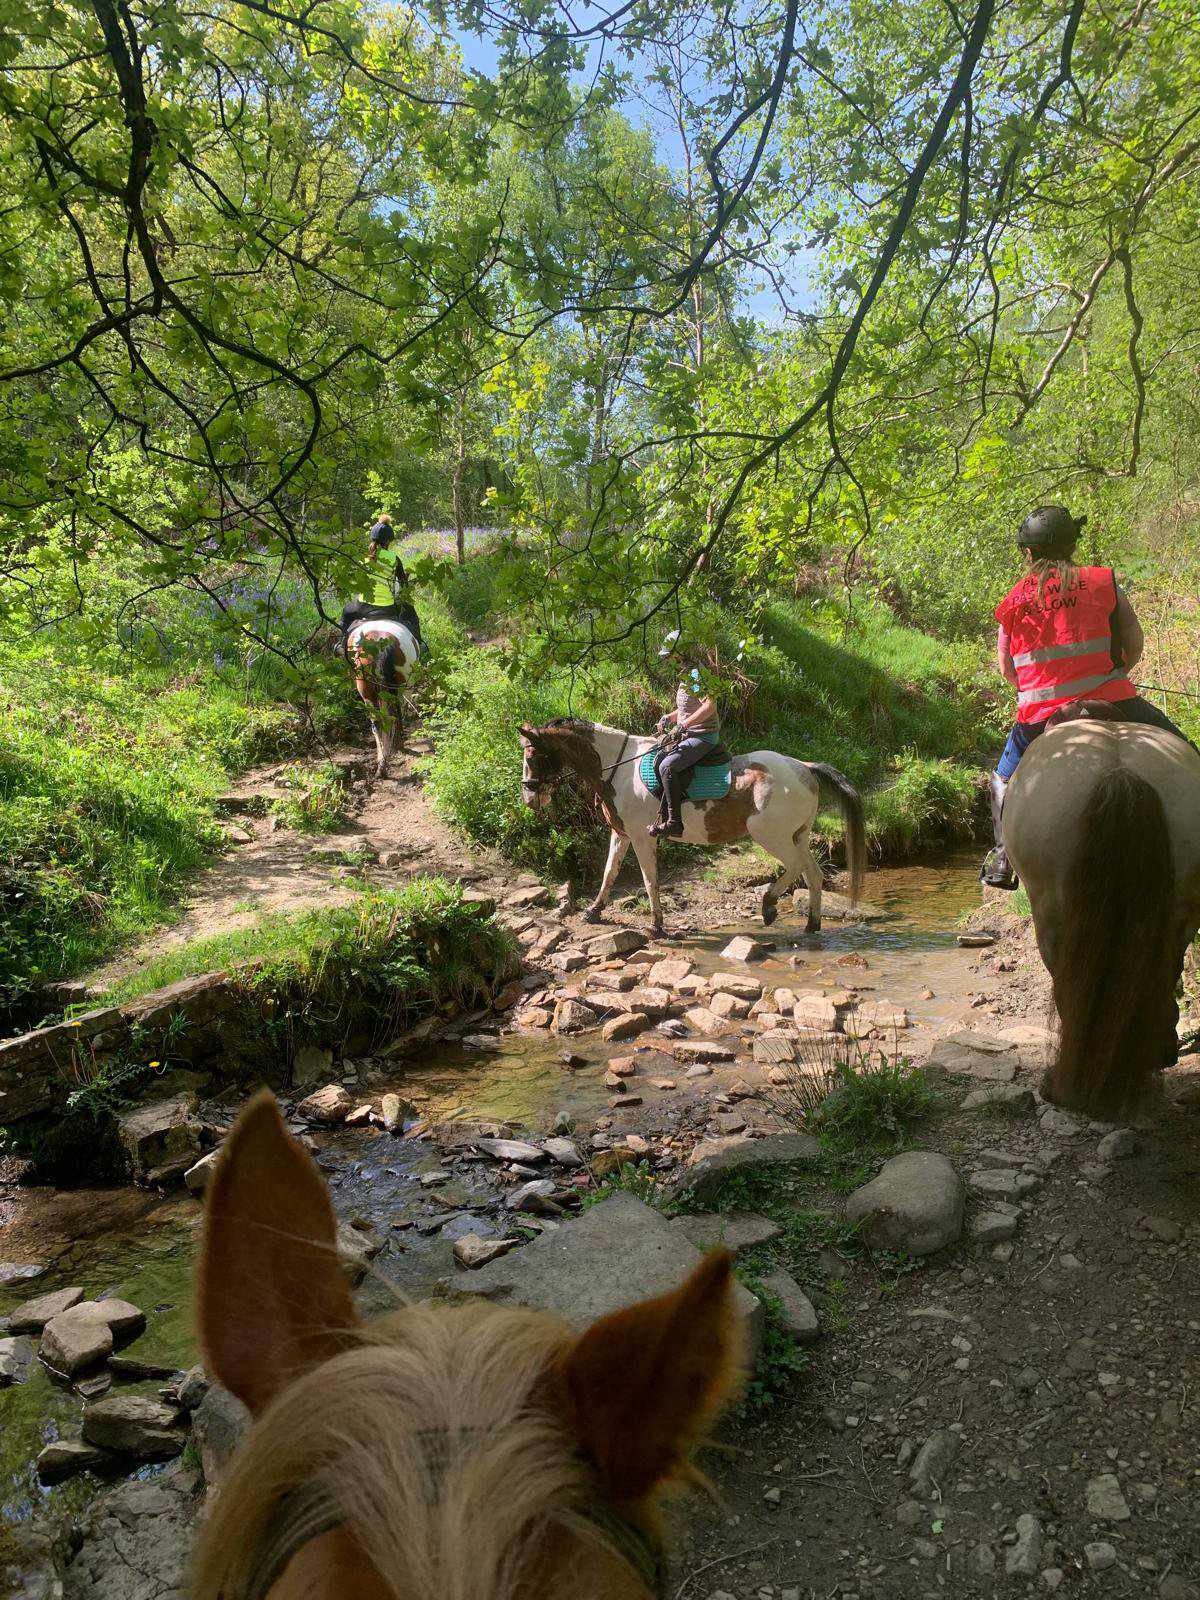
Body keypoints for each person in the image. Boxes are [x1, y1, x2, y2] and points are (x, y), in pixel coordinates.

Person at [981, 504, 1191, 889]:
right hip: (1115, 699)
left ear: (1029, 554)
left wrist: (1038, 685)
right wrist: (1113, 674)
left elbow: (1008, 669)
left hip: (1039, 714)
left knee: (1000, 780)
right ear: (1072, 546)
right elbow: (1133, 641)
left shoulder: (1013, 601)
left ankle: (1003, 860)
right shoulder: (1103, 582)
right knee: (1186, 750)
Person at [649, 660, 723, 837]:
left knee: (667, 766)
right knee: (658, 756)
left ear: (680, 652)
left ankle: (674, 823)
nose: (668, 660)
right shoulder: (688, 673)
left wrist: (683, 725)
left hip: (702, 736)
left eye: (670, 655)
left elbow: (710, 705)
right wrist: (669, 717)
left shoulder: (696, 674)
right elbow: (688, 708)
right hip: (690, 734)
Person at [339, 512, 423, 652]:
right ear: (388, 541)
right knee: (411, 613)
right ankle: (420, 644)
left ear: (372, 538)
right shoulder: (394, 558)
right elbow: (403, 586)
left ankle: (341, 644)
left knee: (346, 613)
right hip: (388, 607)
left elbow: (355, 581)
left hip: (363, 606)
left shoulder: (364, 558)